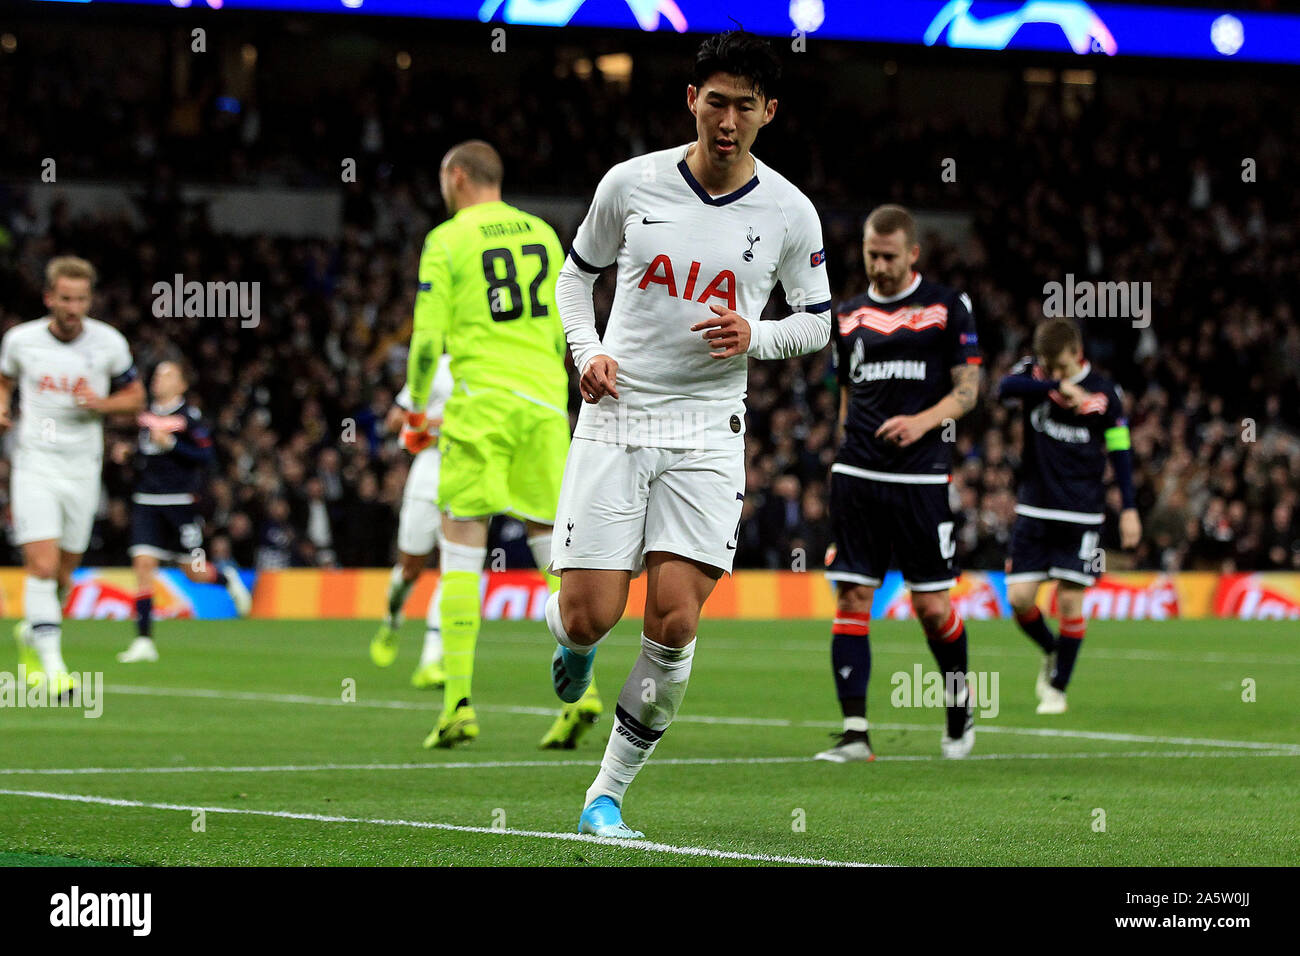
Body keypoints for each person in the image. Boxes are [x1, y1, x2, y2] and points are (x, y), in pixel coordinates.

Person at [548, 30, 832, 839]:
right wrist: (588, 350)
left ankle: (605, 797)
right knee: (588, 616)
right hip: (619, 416)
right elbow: (577, 277)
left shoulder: (788, 210)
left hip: (710, 428)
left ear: (769, 112)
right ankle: (572, 646)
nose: (729, 120)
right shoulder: (630, 183)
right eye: (716, 101)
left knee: (674, 620)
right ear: (692, 102)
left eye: (746, 105)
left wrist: (759, 335)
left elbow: (817, 320)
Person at [405, 139, 601, 749]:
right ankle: (584, 688)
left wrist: (415, 408)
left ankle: (458, 702)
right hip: (544, 404)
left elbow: (424, 342)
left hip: (481, 405)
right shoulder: (543, 232)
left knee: (461, 539)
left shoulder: (449, 239)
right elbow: (562, 320)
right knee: (551, 545)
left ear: (456, 176)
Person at [820, 204, 982, 763]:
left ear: (913, 253)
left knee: (933, 608)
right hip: (858, 474)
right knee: (853, 594)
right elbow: (845, 390)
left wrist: (921, 421)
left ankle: (960, 714)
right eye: (871, 255)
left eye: (889, 256)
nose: (880, 265)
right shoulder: (847, 316)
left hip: (920, 477)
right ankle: (855, 733)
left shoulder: (946, 306)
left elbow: (968, 391)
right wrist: (841, 448)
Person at [1, 256, 145, 693]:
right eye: (65, 298)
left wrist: (98, 404)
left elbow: (136, 398)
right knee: (41, 566)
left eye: (81, 299)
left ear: (89, 300)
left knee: (64, 575)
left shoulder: (109, 344)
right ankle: (55, 670)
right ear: (49, 298)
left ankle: (32, 634)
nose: (73, 307)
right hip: (36, 465)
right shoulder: (20, 341)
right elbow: (4, 380)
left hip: (83, 469)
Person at [998, 317, 1141, 714]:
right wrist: (1054, 385)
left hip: (1082, 513)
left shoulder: (1105, 392)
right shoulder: (1034, 374)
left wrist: (1129, 509)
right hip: (1034, 507)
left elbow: (1121, 452)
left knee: (1071, 601)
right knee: (1020, 599)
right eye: (1047, 365)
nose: (1053, 372)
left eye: (1060, 366)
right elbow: (1002, 388)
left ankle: (1058, 687)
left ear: (1077, 353)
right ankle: (1053, 650)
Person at [117, 360, 251, 664]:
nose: (159, 379)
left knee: (195, 572)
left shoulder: (190, 417)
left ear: (182, 384)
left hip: (180, 503)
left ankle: (227, 579)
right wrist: (128, 454)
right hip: (147, 501)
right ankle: (143, 641)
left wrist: (174, 443)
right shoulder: (144, 416)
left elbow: (206, 455)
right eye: (157, 373)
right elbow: (145, 454)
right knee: (143, 565)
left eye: (167, 374)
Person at [369, 355, 454, 690]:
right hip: (428, 476)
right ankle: (392, 618)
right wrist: (440, 423)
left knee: (455, 570)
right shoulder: (437, 366)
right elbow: (395, 420)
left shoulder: (492, 364)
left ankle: (431, 659)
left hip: (469, 478)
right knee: (410, 570)